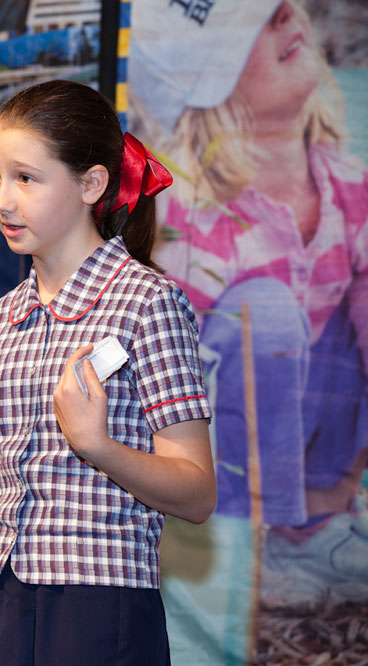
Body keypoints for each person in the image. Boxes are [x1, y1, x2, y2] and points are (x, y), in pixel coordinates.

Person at [0, 80, 216, 665]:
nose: (3, 200)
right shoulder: (3, 319)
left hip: (100, 600)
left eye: (26, 177)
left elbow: (197, 492)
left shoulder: (147, 302)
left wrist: (97, 445)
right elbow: (4, 495)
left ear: (91, 183)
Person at [131, 0, 368, 608]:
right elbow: (160, 363)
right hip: (220, 449)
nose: (290, 13)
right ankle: (267, 536)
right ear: (213, 94)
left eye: (280, 6)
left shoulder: (349, 186)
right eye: (256, 25)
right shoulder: (194, 221)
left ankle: (327, 508)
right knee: (266, 313)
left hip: (316, 432)